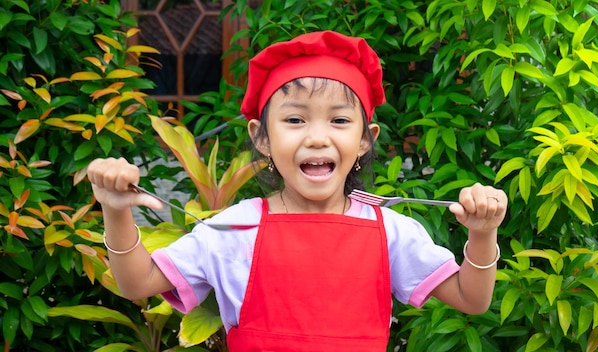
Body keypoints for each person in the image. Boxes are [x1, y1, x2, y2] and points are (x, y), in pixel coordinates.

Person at [87, 30, 508, 351]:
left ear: (366, 139)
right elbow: (137, 283)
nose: (318, 138)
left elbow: (472, 299)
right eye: (295, 120)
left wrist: (483, 232)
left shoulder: (390, 231)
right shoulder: (234, 229)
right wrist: (115, 210)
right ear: (262, 137)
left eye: (340, 121)